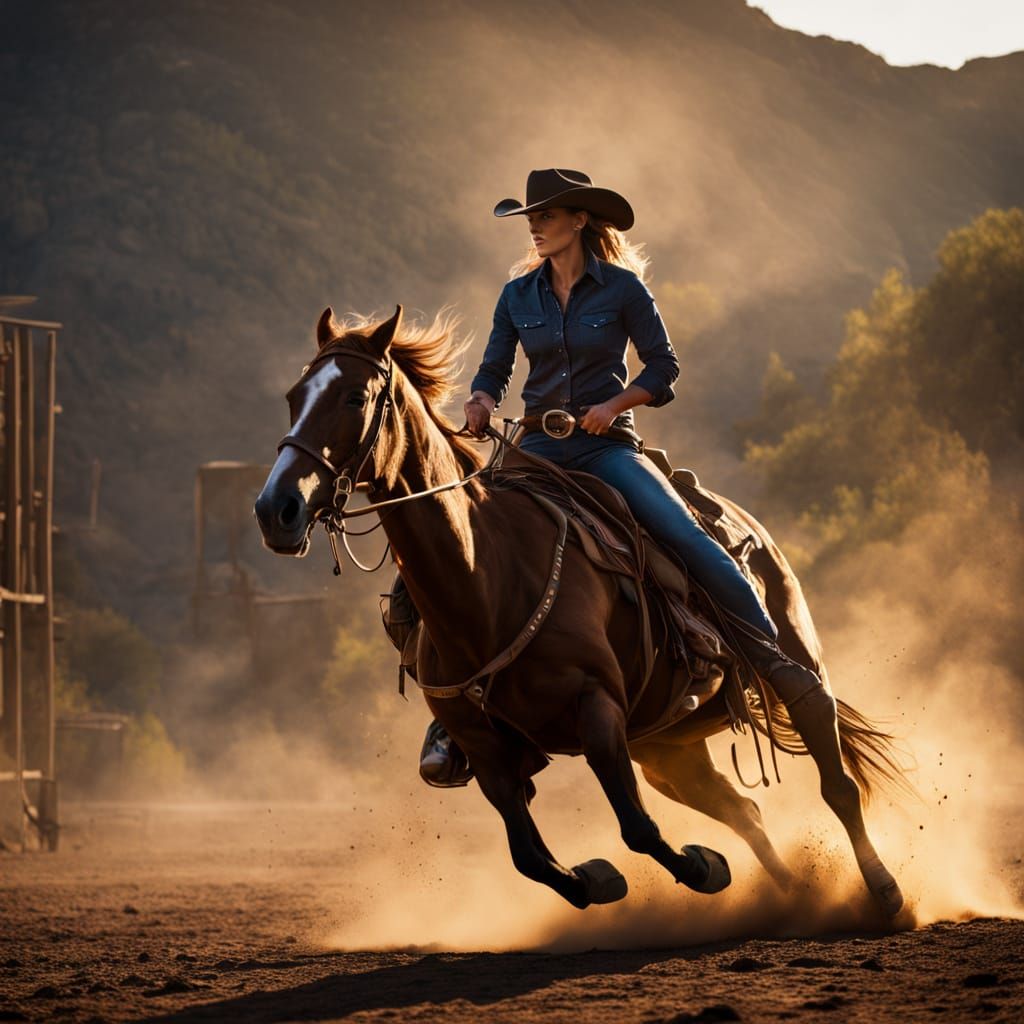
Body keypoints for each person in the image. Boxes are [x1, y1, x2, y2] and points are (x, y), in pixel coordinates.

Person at [419, 168, 822, 786]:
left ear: (579, 220)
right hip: (534, 449)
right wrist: (477, 400)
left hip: (606, 452)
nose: (535, 224)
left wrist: (615, 406)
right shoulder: (517, 296)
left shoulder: (625, 290)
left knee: (686, 537)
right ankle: (453, 710)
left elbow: (665, 367)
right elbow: (495, 368)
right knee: (459, 545)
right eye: (530, 216)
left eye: (546, 214)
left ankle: (772, 661)